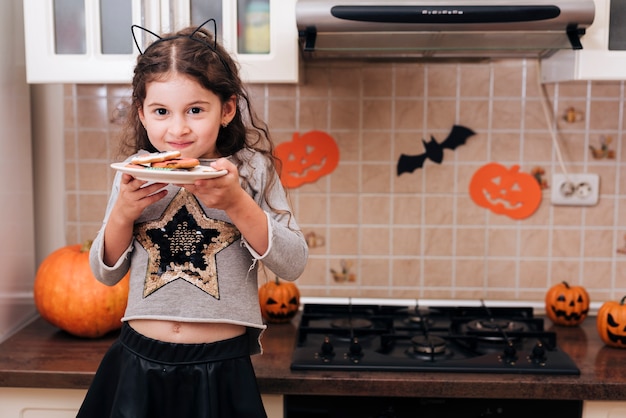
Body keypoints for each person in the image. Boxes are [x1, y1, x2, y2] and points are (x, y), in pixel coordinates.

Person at [77, 19, 308, 418]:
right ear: (142, 114)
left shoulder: (249, 170)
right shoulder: (135, 171)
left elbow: (293, 263)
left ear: (227, 109)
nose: (178, 128)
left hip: (222, 369)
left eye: (196, 110)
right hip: (137, 362)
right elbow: (106, 273)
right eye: (162, 111)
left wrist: (236, 203)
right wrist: (123, 213)